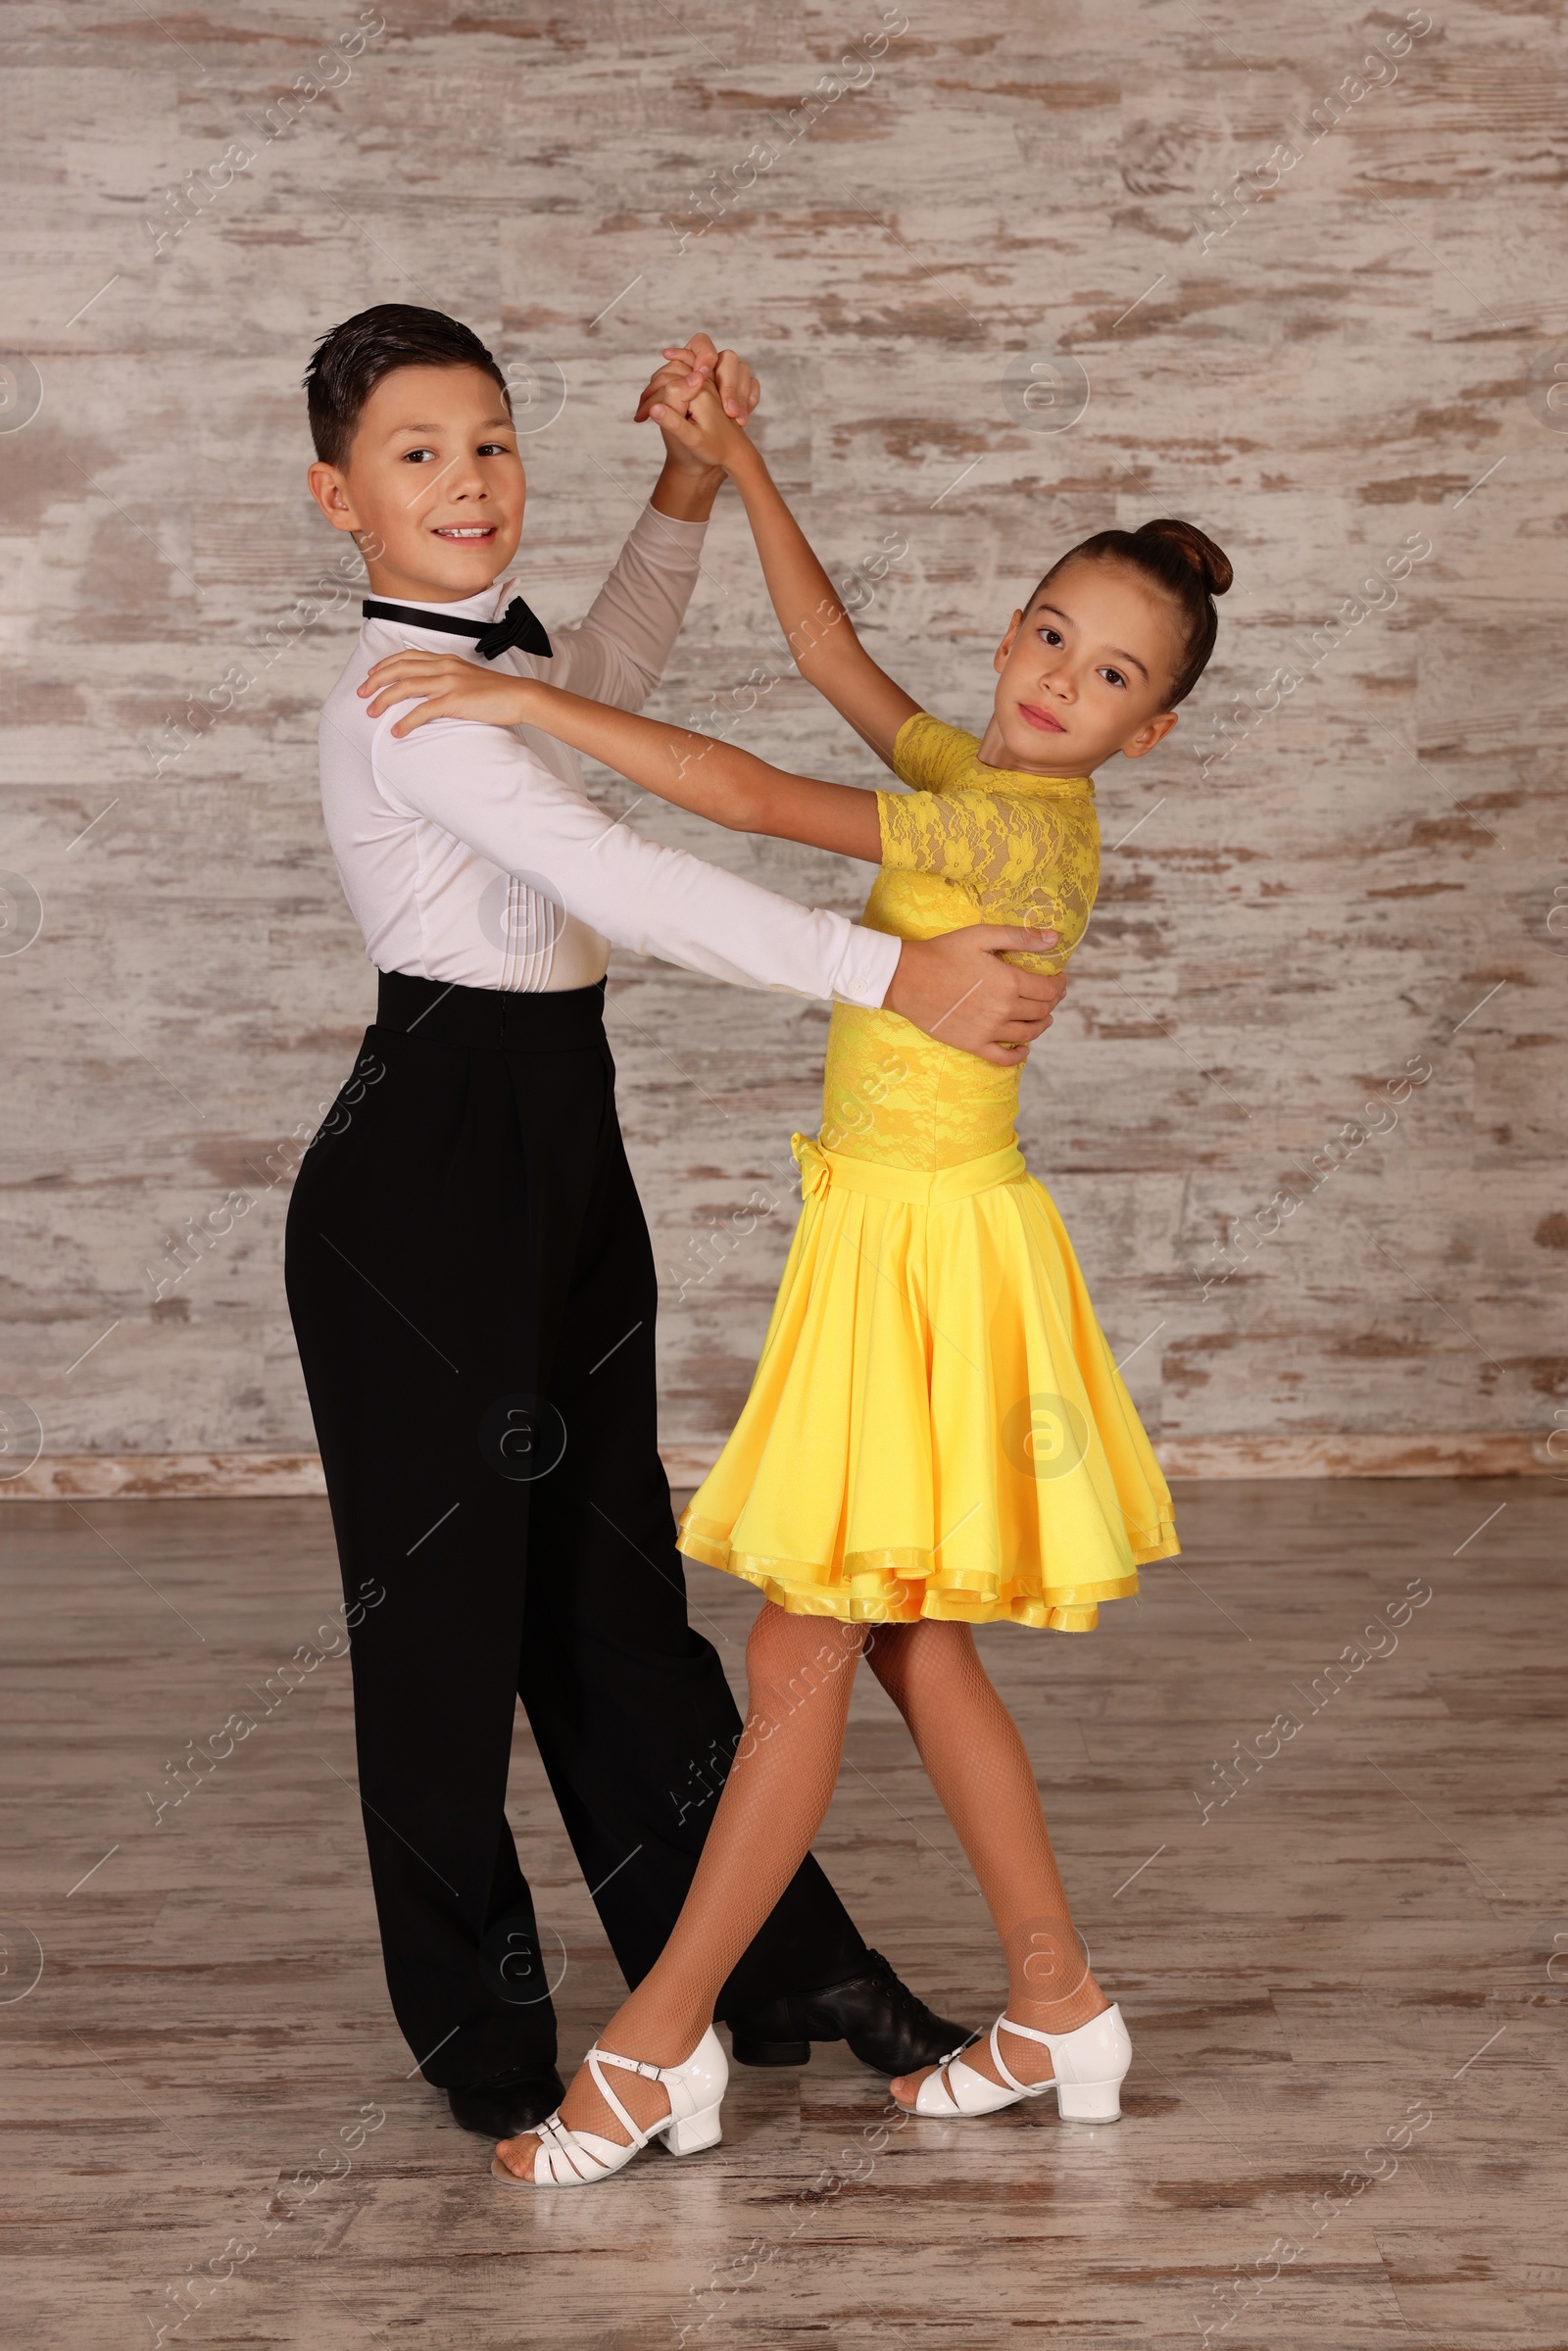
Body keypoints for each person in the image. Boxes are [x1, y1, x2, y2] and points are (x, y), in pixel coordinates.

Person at [361, 377, 1229, 2187]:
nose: (1060, 678)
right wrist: (744, 466)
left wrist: (528, 698)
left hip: (923, 1263)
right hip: (910, 1244)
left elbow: (751, 793)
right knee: (908, 1644)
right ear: (1016, 629)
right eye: (1052, 633)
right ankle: (1057, 2003)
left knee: (800, 1656)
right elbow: (831, 660)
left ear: (1144, 736)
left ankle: (653, 2048)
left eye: (1112, 677)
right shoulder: (984, 774)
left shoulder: (1008, 832)